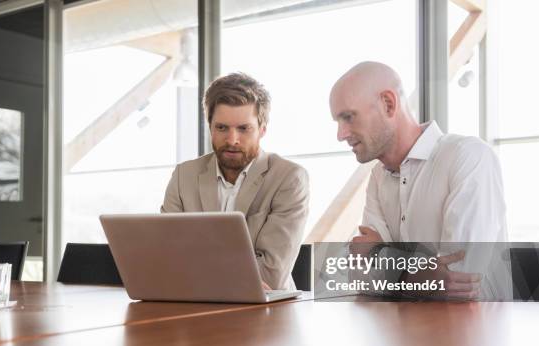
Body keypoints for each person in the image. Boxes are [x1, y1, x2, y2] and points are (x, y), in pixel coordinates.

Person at [329, 61, 508, 300]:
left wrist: (381, 254)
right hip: (408, 331)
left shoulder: (469, 157)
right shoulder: (378, 176)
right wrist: (421, 274)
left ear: (388, 104)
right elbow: (361, 278)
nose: (341, 134)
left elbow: (458, 279)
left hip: (475, 332)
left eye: (349, 117)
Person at [161, 73, 309, 290]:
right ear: (209, 126)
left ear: (262, 129)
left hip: (267, 312)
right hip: (195, 307)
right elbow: (166, 258)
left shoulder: (289, 178)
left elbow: (271, 275)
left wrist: (195, 268)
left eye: (243, 128)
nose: (232, 140)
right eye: (221, 128)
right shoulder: (184, 176)